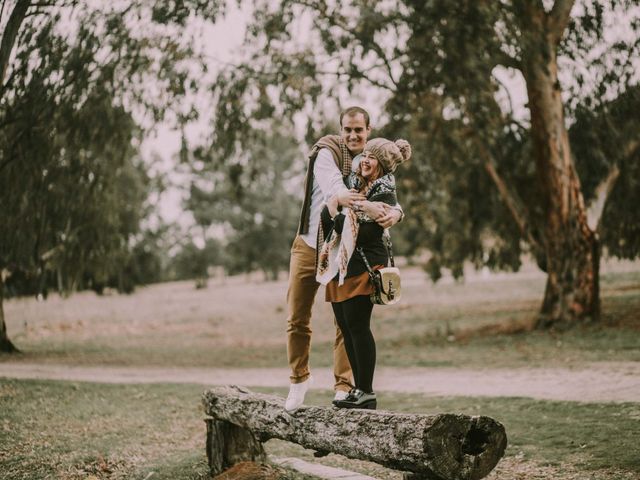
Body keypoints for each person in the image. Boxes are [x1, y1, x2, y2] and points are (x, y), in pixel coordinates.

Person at [285, 107, 403, 412]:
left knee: (347, 323)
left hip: (343, 252)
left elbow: (389, 191)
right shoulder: (328, 151)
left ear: (368, 131)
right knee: (298, 318)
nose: (352, 135)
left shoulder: (372, 158)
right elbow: (336, 190)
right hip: (311, 244)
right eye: (347, 130)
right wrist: (359, 205)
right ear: (341, 130)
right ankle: (299, 379)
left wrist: (395, 212)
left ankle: (345, 387)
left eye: (359, 130)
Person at [316, 138, 411, 410]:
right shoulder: (355, 186)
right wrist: (338, 211)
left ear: (382, 166)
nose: (366, 160)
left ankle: (366, 391)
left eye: (373, 158)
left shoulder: (384, 193)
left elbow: (366, 232)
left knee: (358, 327)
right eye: (365, 155)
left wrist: (338, 212)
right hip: (342, 265)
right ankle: (359, 390)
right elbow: (328, 218)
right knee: (346, 328)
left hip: (364, 266)